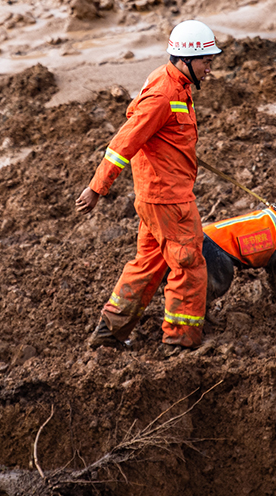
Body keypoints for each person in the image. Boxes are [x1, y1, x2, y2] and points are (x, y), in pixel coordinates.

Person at [76, 19, 222, 351]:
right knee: (189, 264)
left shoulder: (175, 84)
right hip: (168, 200)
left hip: (157, 197)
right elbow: (125, 141)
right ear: (186, 59)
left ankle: (110, 331)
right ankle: (180, 341)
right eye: (206, 61)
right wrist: (97, 188)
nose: (210, 69)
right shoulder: (164, 92)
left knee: (149, 263)